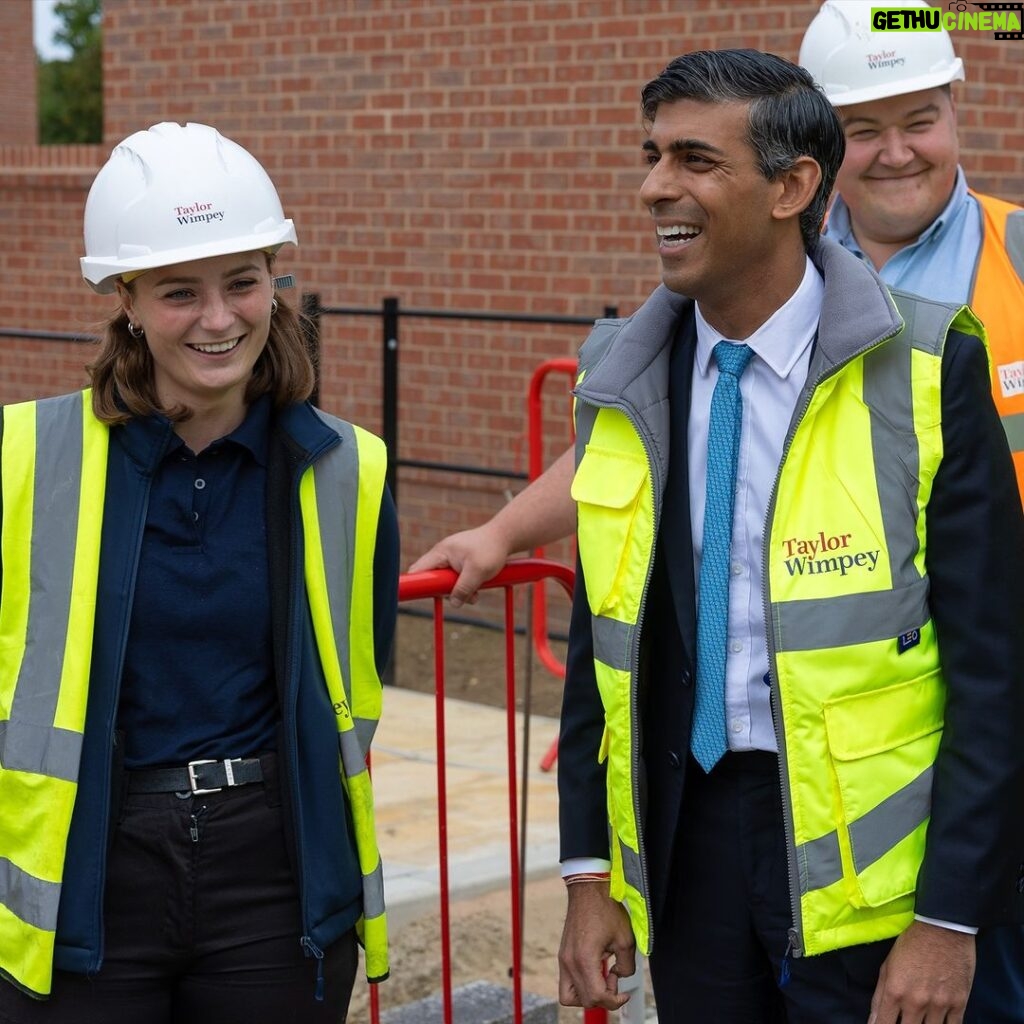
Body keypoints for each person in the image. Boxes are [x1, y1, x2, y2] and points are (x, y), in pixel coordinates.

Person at [556, 48, 1024, 1024]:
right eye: (652, 155)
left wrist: (949, 918)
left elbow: (996, 673)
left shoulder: (930, 365)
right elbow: (601, 642)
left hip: (877, 888)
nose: (653, 188)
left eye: (692, 159)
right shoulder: (618, 376)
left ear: (791, 186)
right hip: (690, 853)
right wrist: (587, 872)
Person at [0, 122, 398, 1023]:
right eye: (181, 291)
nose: (219, 319)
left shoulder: (348, 467)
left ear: (274, 284)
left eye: (243, 283)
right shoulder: (23, 457)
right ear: (126, 301)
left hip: (277, 882)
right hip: (82, 879)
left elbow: (354, 676)